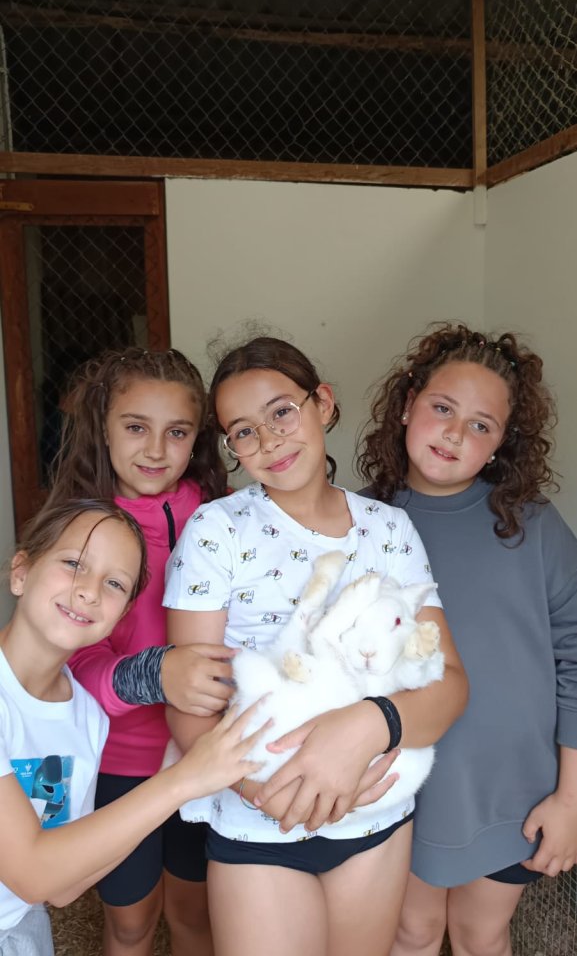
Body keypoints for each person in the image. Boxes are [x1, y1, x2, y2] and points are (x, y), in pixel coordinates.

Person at [163, 335, 468, 956]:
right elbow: (189, 703)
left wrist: (366, 726)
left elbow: (449, 686)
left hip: (375, 818)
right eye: (243, 432)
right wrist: (264, 792)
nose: (269, 440)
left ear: (322, 404)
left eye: (281, 411)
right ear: (230, 447)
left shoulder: (389, 529)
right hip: (260, 823)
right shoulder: (216, 530)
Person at [356, 322, 577, 956]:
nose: (455, 433)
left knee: (482, 934)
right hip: (401, 783)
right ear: (408, 404)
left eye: (481, 424)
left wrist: (570, 798)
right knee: (413, 931)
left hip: (515, 789)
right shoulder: (360, 523)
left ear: (503, 442)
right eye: (443, 408)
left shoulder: (533, 525)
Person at [0, 498, 267, 956]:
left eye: (114, 584)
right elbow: (34, 873)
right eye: (73, 564)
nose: (89, 591)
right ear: (20, 572)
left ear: (121, 616)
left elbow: (62, 887)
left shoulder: (87, 717)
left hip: (19, 925)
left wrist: (175, 779)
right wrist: (184, 780)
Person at [47, 348, 234, 956]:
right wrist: (154, 675)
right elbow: (66, 665)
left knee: (195, 915)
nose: (155, 450)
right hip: (117, 763)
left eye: (176, 432)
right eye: (135, 427)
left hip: (203, 750)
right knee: (131, 922)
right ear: (103, 428)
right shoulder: (81, 529)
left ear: (196, 439)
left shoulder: (222, 515)